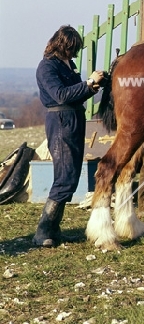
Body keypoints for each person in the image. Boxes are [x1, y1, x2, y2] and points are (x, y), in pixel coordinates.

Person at [33, 25, 104, 247]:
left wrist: (92, 88)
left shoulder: (68, 65)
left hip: (74, 119)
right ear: (63, 45)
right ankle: (43, 231)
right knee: (65, 176)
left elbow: (76, 93)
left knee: (70, 175)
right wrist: (88, 83)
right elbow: (61, 95)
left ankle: (53, 231)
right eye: (72, 49)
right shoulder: (47, 67)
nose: (75, 53)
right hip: (61, 121)